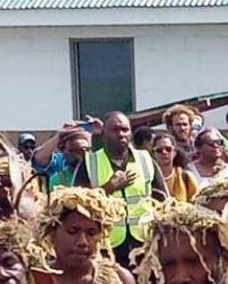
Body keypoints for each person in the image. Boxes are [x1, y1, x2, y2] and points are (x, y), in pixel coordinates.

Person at [38, 187, 143, 284]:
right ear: (52, 232)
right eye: (73, 231)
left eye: (91, 233)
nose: (82, 242)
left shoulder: (119, 280)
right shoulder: (36, 283)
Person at [73, 111, 167, 270]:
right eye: (115, 130)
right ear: (104, 134)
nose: (121, 134)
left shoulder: (145, 160)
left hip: (144, 245)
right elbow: (76, 204)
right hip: (106, 248)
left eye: (125, 130)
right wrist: (109, 187)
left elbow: (164, 201)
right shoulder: (90, 162)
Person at [33, 121, 97, 193]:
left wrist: (104, 131)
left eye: (85, 150)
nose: (79, 155)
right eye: (74, 150)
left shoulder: (97, 166)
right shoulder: (59, 169)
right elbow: (39, 159)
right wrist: (58, 136)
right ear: (63, 150)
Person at [153, 131, 199, 203]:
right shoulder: (149, 178)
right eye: (159, 150)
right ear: (154, 154)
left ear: (174, 153)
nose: (164, 152)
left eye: (168, 149)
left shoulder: (186, 177)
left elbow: (197, 203)